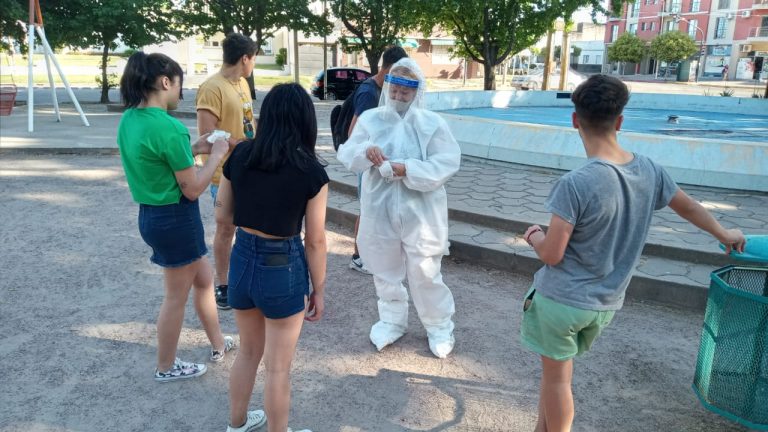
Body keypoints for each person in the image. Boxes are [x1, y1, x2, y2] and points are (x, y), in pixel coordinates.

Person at [520, 74, 746, 432]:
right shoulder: (649, 170)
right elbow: (688, 208)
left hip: (561, 302)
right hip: (604, 305)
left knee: (557, 382)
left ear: (575, 120)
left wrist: (533, 235)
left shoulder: (574, 183)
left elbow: (552, 254)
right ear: (620, 121)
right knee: (554, 381)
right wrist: (725, 231)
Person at [117, 52, 237, 382]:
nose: (180, 93)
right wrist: (216, 155)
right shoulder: (168, 126)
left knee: (203, 280)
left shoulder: (130, 119)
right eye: (179, 85)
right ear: (165, 82)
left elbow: (159, 158)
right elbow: (193, 188)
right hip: (175, 219)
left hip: (153, 216)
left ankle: (217, 344)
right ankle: (166, 366)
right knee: (175, 298)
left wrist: (195, 146)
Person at [216, 83, 328, 432]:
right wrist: (319, 289)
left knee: (249, 352)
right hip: (283, 265)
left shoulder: (240, 155)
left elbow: (222, 218)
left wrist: (224, 274)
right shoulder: (311, 171)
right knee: (278, 367)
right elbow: (317, 240)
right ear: (305, 121)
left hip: (243, 257)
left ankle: (236, 425)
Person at [337, 58, 461, 359]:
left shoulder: (432, 124)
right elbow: (348, 154)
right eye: (395, 88)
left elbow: (446, 163)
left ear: (417, 91)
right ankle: (391, 319)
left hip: (422, 212)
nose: (399, 96)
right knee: (383, 267)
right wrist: (366, 152)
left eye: (407, 90)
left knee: (425, 270)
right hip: (380, 209)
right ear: (388, 86)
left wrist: (407, 168)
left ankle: (439, 325)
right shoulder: (371, 119)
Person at [196, 33, 258, 310]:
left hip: (249, 167)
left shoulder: (242, 83)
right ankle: (223, 285)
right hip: (224, 172)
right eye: (253, 59)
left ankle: (244, 279)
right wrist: (237, 143)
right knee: (226, 227)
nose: (253, 64)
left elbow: (246, 120)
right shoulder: (212, 88)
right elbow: (206, 137)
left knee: (250, 226)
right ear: (245, 58)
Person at [345, 46, 408, 275]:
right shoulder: (369, 94)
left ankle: (367, 254)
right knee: (367, 208)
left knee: (372, 208)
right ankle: (358, 256)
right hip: (368, 164)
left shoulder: (379, 89)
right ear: (389, 68)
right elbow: (354, 133)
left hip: (377, 163)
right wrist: (368, 150)